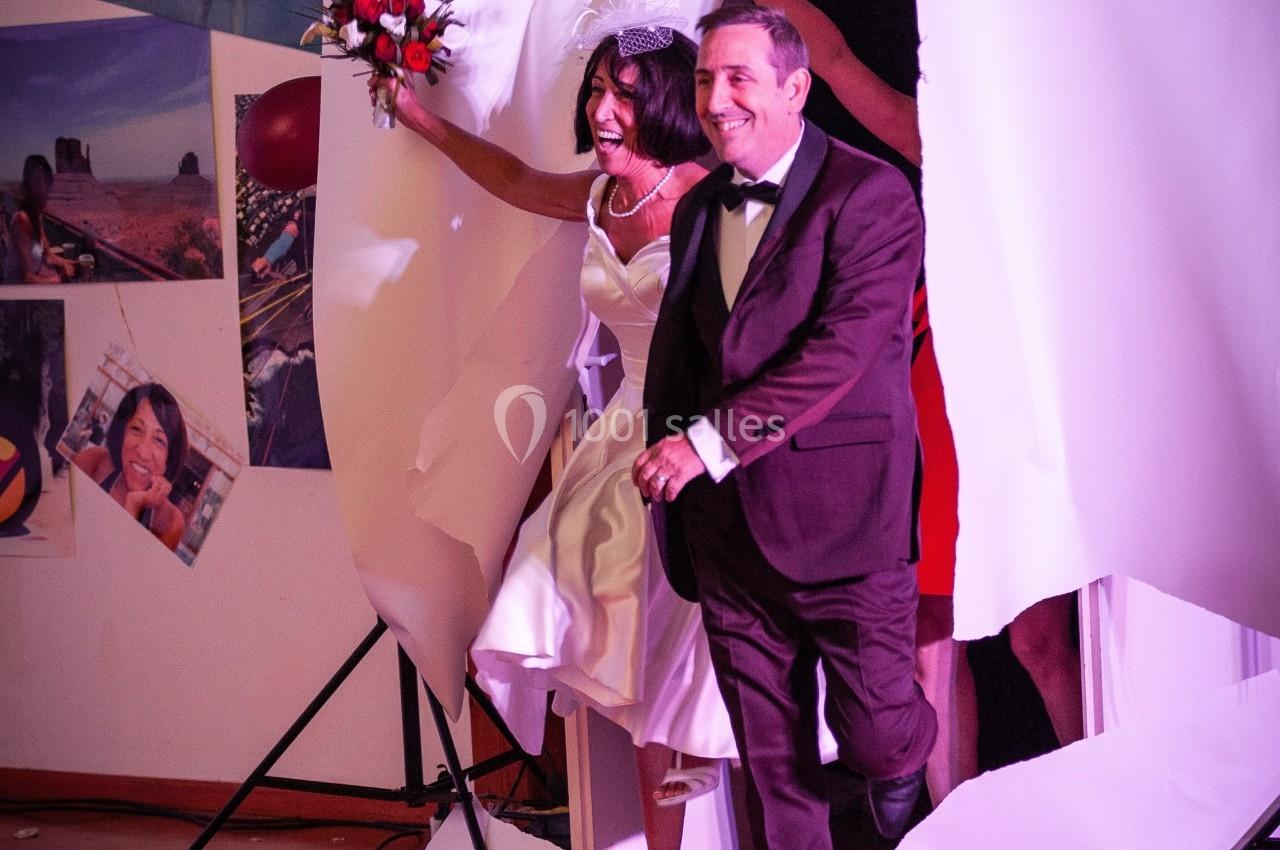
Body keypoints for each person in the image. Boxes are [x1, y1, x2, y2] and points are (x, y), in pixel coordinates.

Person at [375, 23, 733, 850]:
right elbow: (511, 176)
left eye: (625, 95)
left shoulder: (711, 199)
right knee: (599, 650)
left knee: (688, 677)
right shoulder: (601, 196)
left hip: (701, 447)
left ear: (669, 105)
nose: (602, 110)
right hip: (618, 443)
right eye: (597, 91)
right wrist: (420, 120)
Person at [633, 6, 935, 846]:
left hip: (847, 522)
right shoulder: (697, 210)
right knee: (775, 772)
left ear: (796, 88)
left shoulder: (873, 195)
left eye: (739, 78)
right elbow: (692, 352)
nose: (716, 100)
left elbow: (838, 353)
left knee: (875, 732)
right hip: (727, 529)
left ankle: (905, 754)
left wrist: (705, 443)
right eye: (704, 79)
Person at [72, 383, 189, 552]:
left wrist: (134, 506)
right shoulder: (94, 461)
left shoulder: (170, 522)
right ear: (122, 434)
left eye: (159, 440)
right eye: (136, 429)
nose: (142, 452)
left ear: (168, 462)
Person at [2, 155, 76, 284]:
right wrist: (60, 278)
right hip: (17, 294)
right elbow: (27, 279)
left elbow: (48, 256)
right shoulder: (22, 219)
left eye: (46, 181)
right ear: (28, 186)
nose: (42, 189)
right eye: (37, 181)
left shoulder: (37, 215)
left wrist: (76, 263)